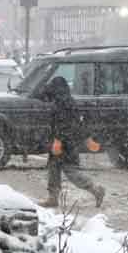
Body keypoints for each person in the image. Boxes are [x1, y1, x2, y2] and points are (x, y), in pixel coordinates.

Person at [38, 76, 105, 209]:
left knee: (71, 171)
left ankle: (96, 189)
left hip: (64, 143)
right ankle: (53, 198)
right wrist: (86, 138)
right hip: (65, 141)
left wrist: (58, 140)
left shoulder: (63, 103)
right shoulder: (66, 101)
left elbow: (64, 125)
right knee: (54, 170)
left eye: (52, 86)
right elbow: (78, 124)